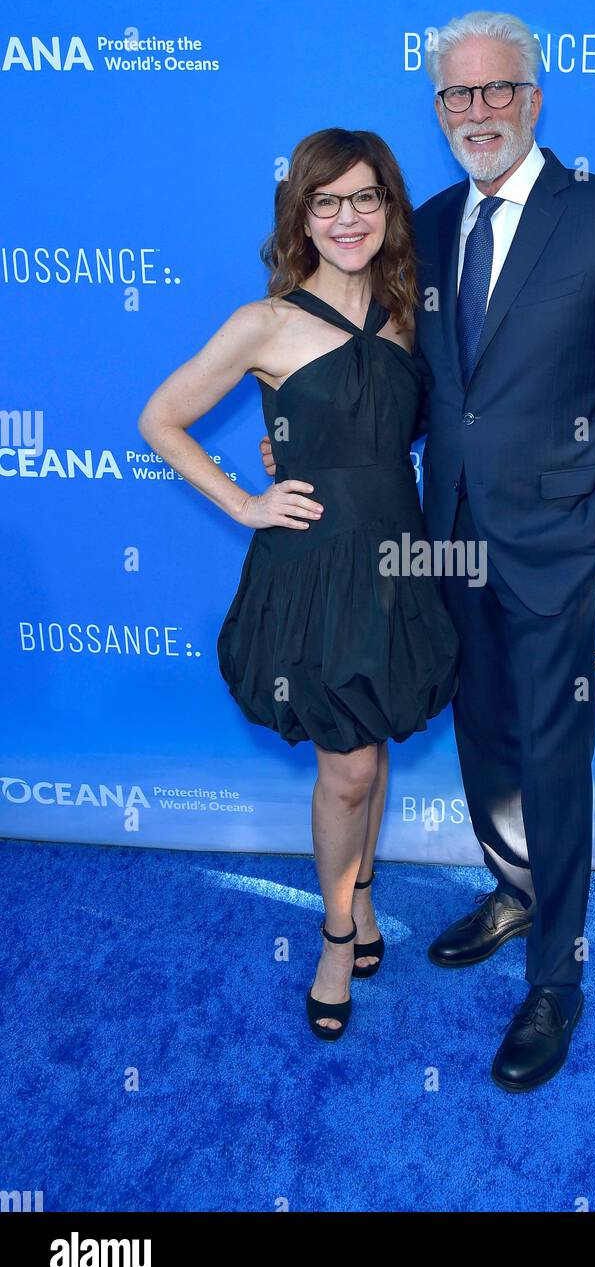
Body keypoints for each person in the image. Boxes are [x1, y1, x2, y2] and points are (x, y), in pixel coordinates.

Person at [262, 9, 595, 1092]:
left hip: (554, 547)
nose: (476, 111)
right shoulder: (427, 225)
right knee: (485, 741)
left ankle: (556, 979)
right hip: (441, 548)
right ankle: (512, 887)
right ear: (437, 108)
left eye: (496, 91)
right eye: (456, 96)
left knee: (552, 762)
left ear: (534, 99)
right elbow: (401, 387)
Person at [138, 128, 459, 1043]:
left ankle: (359, 890)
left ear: (389, 209)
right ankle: (334, 931)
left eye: (366, 198)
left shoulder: (408, 315)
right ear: (301, 216)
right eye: (327, 202)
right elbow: (160, 419)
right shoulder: (264, 322)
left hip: (398, 556)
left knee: (377, 730)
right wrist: (244, 502)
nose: (347, 218)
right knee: (347, 763)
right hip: (315, 565)